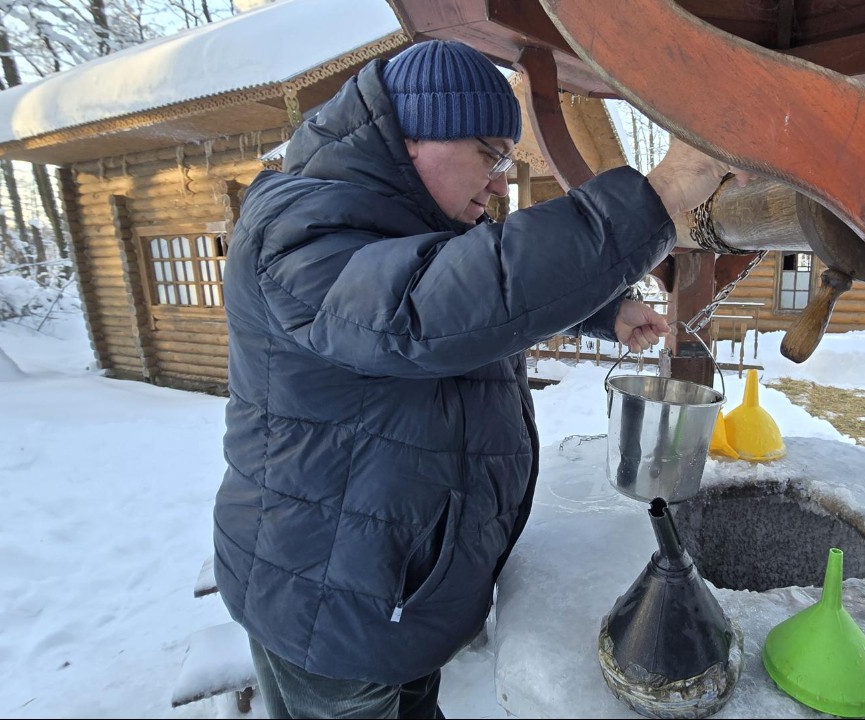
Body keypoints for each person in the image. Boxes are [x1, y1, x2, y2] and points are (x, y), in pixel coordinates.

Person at [213, 39, 748, 719]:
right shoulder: (299, 227)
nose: (500, 182)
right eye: (490, 153)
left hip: (391, 592)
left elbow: (463, 293)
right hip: (329, 604)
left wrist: (603, 312)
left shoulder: (391, 226)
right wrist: (661, 196)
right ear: (414, 137)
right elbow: (428, 307)